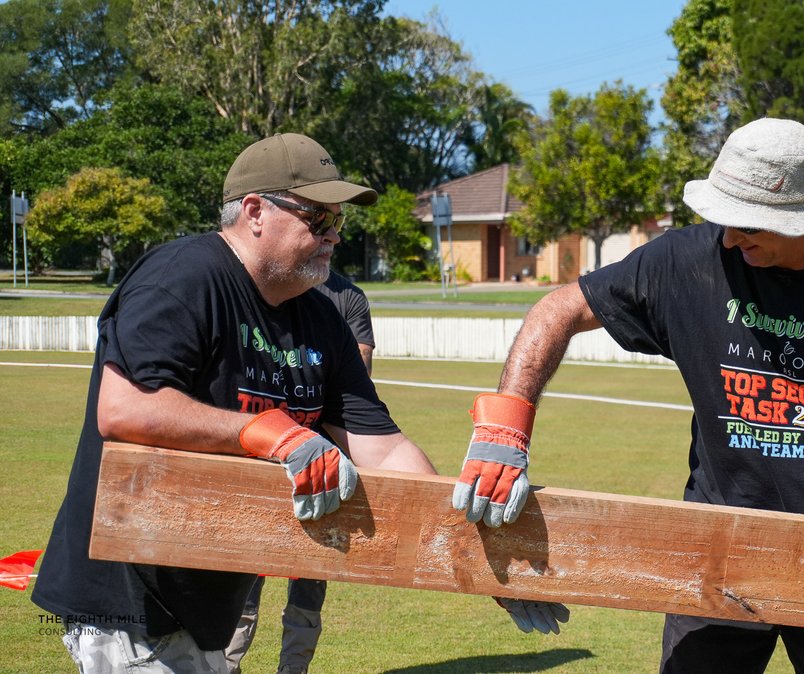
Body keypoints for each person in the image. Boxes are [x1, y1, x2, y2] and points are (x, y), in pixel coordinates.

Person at [452, 117, 804, 673]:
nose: (730, 239)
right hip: (715, 544)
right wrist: (505, 424)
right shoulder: (688, 261)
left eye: (750, 226)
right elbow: (559, 309)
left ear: (803, 219)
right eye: (723, 220)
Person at [31, 132, 560, 674]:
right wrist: (265, 432)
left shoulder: (322, 318)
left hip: (211, 585)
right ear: (256, 211)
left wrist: (475, 556)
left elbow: (386, 451)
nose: (333, 237)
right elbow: (124, 410)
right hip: (129, 588)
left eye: (339, 223)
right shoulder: (184, 277)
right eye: (317, 219)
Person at [225, 270, 376, 674]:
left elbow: (357, 378)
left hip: (321, 462)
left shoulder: (349, 298)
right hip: (262, 460)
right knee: (243, 582)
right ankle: (226, 667)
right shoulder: (266, 284)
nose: (329, 233)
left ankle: (294, 670)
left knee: (310, 582)